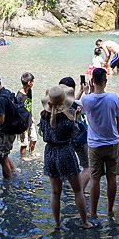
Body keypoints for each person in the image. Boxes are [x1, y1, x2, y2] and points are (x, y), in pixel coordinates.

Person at [39, 85, 95, 230]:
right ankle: (84, 222)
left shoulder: (43, 116)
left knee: (55, 192)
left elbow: (43, 134)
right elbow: (75, 133)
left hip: (49, 153)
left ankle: (57, 224)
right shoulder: (66, 120)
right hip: (65, 152)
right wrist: (75, 117)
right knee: (78, 191)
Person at [81, 67, 119, 220]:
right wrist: (116, 135)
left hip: (94, 145)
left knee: (95, 179)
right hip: (111, 143)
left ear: (92, 81)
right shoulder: (113, 98)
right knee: (112, 178)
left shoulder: (86, 99)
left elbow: (78, 106)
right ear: (105, 81)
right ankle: (110, 210)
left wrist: (87, 91)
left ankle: (93, 212)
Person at [59, 76, 91, 189]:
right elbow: (90, 108)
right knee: (88, 167)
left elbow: (72, 102)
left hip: (64, 141)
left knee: (65, 168)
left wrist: (81, 92)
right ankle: (79, 192)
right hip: (79, 139)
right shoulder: (74, 107)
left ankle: (62, 190)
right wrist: (87, 93)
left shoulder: (56, 104)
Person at [17, 72, 37, 158]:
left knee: (34, 139)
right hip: (22, 124)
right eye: (32, 81)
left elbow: (29, 105)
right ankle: (23, 158)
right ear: (29, 83)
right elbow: (17, 111)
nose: (33, 83)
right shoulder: (19, 96)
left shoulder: (29, 91)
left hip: (29, 120)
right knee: (23, 144)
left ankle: (31, 153)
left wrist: (31, 116)